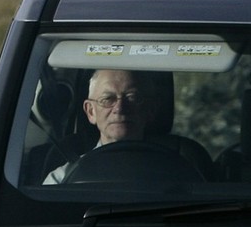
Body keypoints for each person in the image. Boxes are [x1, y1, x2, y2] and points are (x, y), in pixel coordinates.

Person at [43, 68, 172, 184]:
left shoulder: (177, 173)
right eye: (108, 99)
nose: (120, 108)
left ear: (150, 109)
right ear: (91, 112)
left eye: (132, 97)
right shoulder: (61, 180)